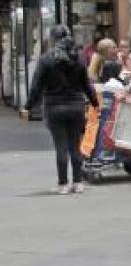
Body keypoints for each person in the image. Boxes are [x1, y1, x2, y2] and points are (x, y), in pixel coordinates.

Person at [21, 25, 98, 194]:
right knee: (75, 146)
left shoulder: (46, 59)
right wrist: (95, 103)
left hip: (54, 107)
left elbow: (36, 87)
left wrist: (28, 107)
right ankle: (78, 183)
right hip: (76, 107)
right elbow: (87, 85)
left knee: (61, 147)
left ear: (53, 39)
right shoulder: (79, 58)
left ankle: (63, 184)